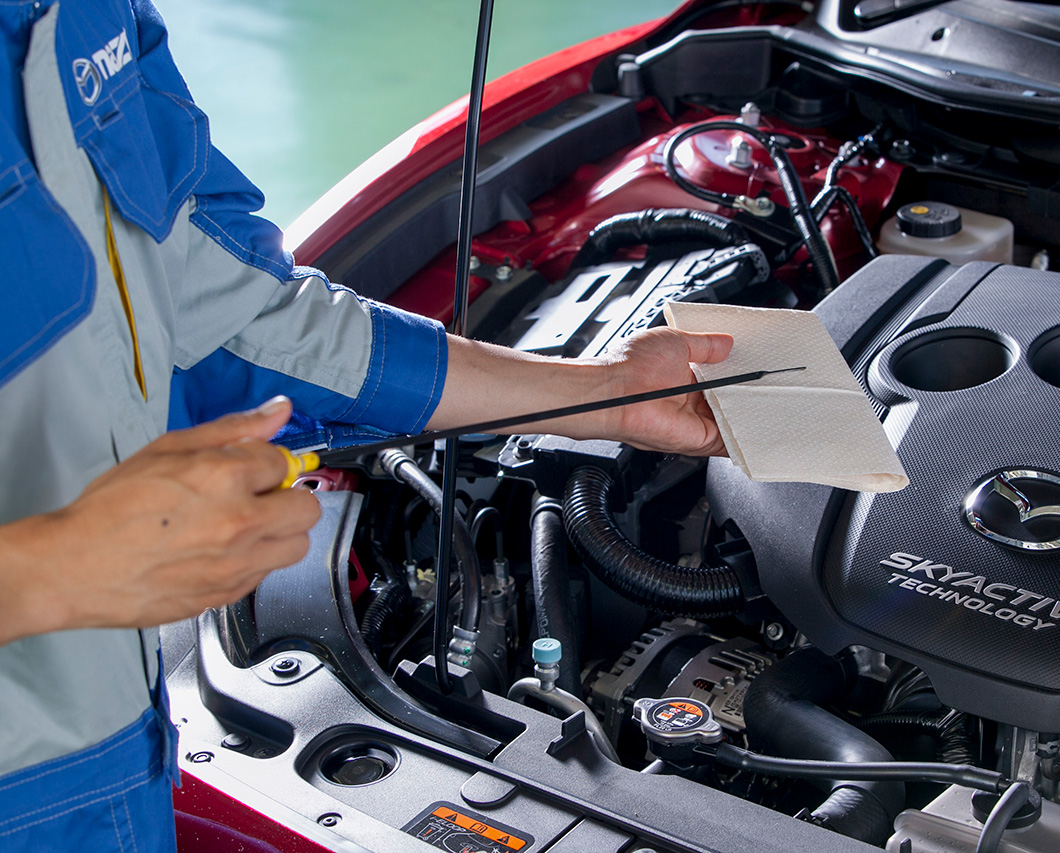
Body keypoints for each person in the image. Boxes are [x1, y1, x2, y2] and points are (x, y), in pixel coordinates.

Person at [0, 1, 732, 850]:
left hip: (112, 763)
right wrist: (49, 571)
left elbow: (235, 312)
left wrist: (605, 395)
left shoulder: (87, 16)